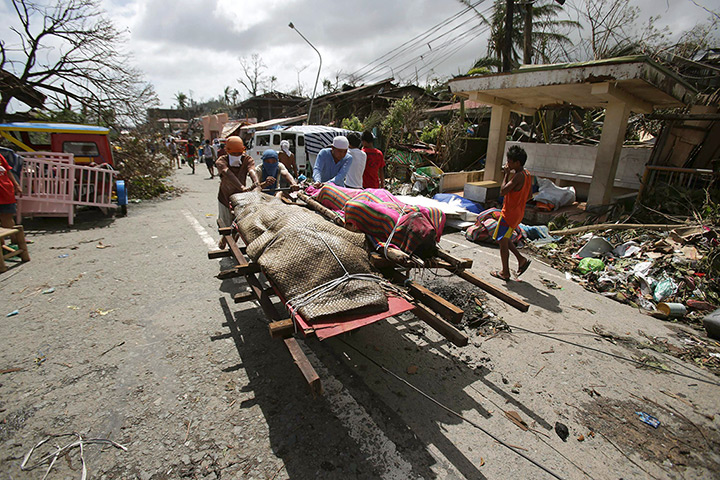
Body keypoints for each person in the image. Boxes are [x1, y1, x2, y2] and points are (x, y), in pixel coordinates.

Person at [490, 145, 532, 281]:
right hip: (518, 213)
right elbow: (530, 195)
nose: (507, 164)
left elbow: (503, 191)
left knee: (502, 241)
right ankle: (521, 260)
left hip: (509, 214)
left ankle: (505, 272)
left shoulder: (518, 176)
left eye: (509, 161)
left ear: (517, 163)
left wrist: (506, 174)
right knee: (505, 238)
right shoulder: (527, 174)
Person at [215, 136, 261, 247]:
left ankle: (232, 243)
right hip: (225, 196)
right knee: (226, 224)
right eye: (234, 154)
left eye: (239, 153)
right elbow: (228, 173)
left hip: (241, 198)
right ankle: (225, 239)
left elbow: (252, 171)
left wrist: (256, 184)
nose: (236, 156)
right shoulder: (221, 161)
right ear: (227, 151)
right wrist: (241, 187)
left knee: (239, 222)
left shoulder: (247, 159)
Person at [0, 152, 23, 247]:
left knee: (8, 217)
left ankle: (15, 242)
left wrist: (17, 185)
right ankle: (2, 245)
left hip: (6, 191)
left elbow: (8, 171)